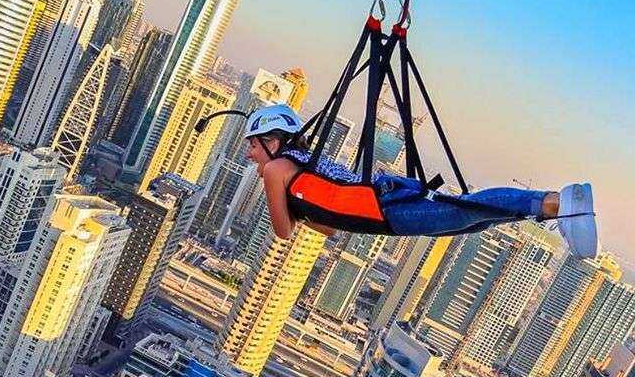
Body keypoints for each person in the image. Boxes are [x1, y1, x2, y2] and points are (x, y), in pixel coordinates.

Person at [244, 104, 598, 259]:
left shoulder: (277, 171)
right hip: (386, 207)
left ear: (272, 141)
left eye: (253, 145)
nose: (249, 154)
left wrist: (277, 192)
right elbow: (331, 228)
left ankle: (555, 202)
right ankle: (551, 208)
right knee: (472, 221)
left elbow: (283, 231)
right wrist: (302, 208)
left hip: (388, 211)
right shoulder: (300, 166)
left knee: (465, 212)